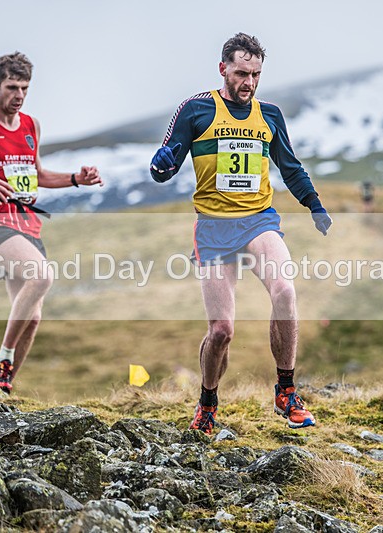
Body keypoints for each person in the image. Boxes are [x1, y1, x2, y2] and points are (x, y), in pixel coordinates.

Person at [149, 33, 332, 433]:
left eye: (256, 74)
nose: (248, 82)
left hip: (258, 220)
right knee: (221, 331)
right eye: (241, 73)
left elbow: (290, 166)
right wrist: (161, 166)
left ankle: (286, 391)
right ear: (223, 69)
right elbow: (166, 164)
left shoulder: (270, 115)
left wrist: (313, 203)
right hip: (214, 229)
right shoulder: (196, 110)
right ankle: (208, 403)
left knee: (285, 291)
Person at [0, 52, 102, 394]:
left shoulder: (31, 125)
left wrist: (77, 178)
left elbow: (39, 175)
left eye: (25, 89)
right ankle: (2, 358)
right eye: (12, 87)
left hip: (26, 222)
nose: (18, 96)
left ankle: (0, 389)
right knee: (42, 275)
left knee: (32, 317)